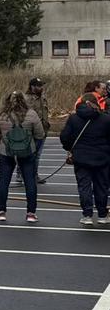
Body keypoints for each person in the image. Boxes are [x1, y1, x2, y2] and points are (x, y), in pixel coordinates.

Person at [0, 91, 45, 223]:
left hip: (6, 153)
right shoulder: (31, 114)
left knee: (4, 181)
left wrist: (3, 145)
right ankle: (31, 213)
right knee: (30, 182)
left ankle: (1, 211)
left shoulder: (1, 115)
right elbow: (40, 134)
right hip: (27, 153)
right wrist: (32, 148)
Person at [59, 96, 110, 226]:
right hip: (102, 158)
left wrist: (71, 148)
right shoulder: (105, 119)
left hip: (81, 158)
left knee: (84, 186)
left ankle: (87, 214)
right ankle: (102, 215)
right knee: (102, 187)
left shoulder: (74, 118)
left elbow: (65, 136)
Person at [19, 77, 50, 186]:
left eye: (42, 85)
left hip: (42, 131)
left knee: (37, 155)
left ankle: (34, 175)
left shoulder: (43, 98)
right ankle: (22, 174)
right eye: (39, 86)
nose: (41, 88)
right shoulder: (26, 99)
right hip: (29, 132)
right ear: (32, 87)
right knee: (27, 154)